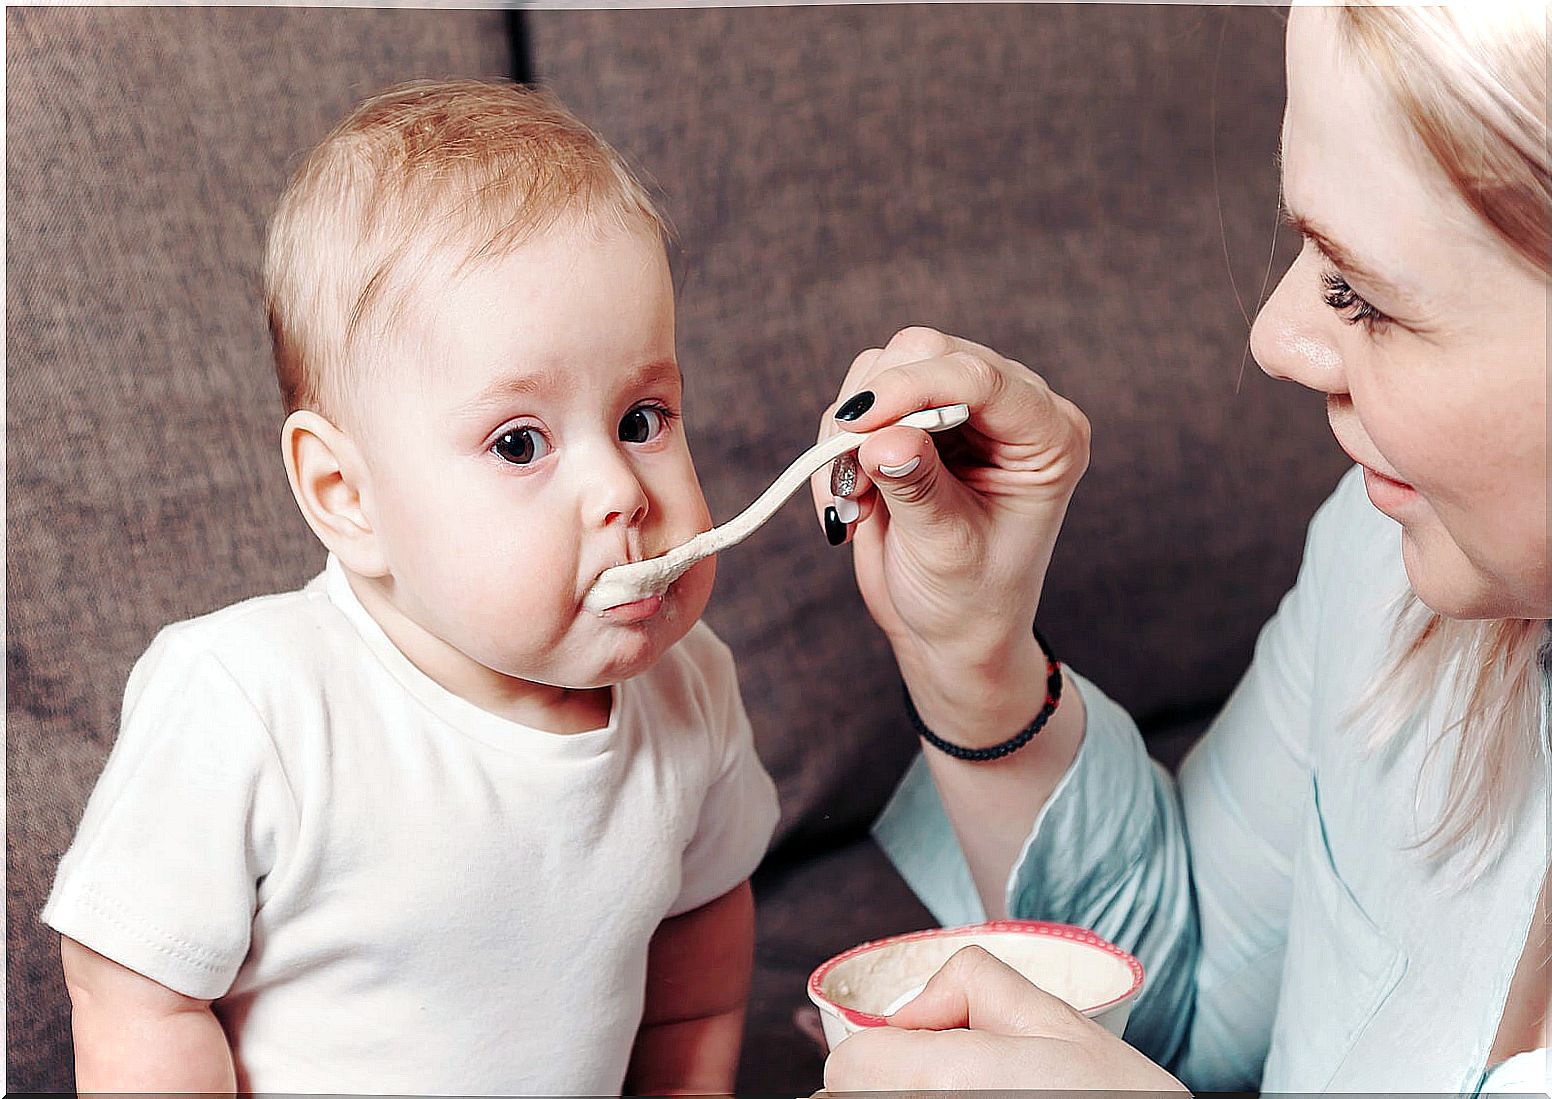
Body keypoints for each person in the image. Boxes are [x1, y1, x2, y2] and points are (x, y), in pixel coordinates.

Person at [810, 3, 1548, 1092]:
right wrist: (972, 655)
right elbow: (1181, 997)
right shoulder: (1390, 557)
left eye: (1363, 294)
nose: (1273, 338)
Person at [43, 80, 779, 1094]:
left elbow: (700, 971)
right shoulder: (251, 699)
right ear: (347, 495)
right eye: (520, 442)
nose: (620, 491)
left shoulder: (693, 689)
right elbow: (132, 988)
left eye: (643, 418)